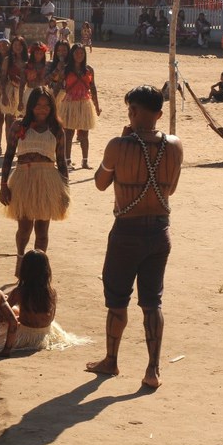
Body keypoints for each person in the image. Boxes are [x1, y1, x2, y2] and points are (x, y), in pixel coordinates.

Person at [86, 85, 183, 389]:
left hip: (126, 230)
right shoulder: (175, 145)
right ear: (159, 114)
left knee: (117, 301)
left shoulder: (118, 145)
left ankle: (111, 360)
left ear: (135, 112)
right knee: (152, 303)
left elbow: (101, 183)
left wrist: (124, 145)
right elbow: (172, 189)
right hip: (159, 230)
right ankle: (153, 370)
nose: (130, 113)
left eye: (132, 109)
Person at [0, 86, 70, 276]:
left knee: (42, 229)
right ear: (31, 106)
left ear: (52, 108)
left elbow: (62, 162)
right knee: (24, 228)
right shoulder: (18, 126)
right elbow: (8, 156)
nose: (42, 109)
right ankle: (21, 260)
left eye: (46, 106)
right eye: (38, 105)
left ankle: (39, 270)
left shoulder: (56, 129)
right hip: (23, 178)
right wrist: (3, 185)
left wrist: (65, 192)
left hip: (48, 181)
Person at [4, 249, 90, 351]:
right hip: (46, 332)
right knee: (17, 310)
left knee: (10, 309)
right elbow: (51, 317)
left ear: (24, 270)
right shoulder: (51, 291)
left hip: (25, 335)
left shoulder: (19, 292)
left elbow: (3, 313)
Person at [58, 43, 101, 169]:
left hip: (85, 103)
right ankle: (67, 160)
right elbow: (59, 86)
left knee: (84, 133)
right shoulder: (65, 69)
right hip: (69, 103)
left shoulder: (89, 70)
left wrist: (97, 106)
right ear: (72, 54)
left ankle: (85, 160)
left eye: (82, 53)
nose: (79, 55)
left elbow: (93, 88)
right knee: (68, 133)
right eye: (76, 53)